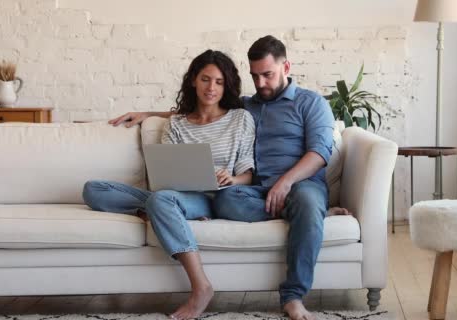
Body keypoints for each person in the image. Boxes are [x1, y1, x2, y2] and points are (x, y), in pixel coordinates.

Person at [109, 35, 338, 320]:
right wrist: (148, 114)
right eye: (255, 76)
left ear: (286, 67)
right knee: (226, 201)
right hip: (254, 193)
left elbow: (319, 153)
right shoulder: (247, 105)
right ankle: (310, 215)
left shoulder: (311, 103)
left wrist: (286, 182)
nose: (261, 84)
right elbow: (203, 106)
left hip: (300, 184)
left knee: (305, 200)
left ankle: (293, 296)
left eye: (267, 75)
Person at [83, 49, 256, 320]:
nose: (211, 88)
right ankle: (158, 213)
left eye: (219, 82)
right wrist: (148, 115)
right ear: (193, 81)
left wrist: (233, 179)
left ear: (228, 85)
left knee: (161, 200)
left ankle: (201, 287)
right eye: (205, 79)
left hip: (214, 197)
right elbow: (167, 170)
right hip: (177, 194)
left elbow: (248, 172)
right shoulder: (175, 123)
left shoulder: (240, 119)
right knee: (94, 190)